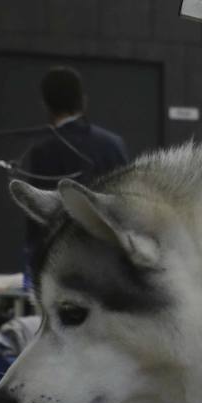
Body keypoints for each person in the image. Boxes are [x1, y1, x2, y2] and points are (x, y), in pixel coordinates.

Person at [21, 66, 129, 263]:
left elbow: (39, 213)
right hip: (113, 256)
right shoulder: (114, 144)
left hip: (68, 261)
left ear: (46, 104)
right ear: (83, 101)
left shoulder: (44, 150)